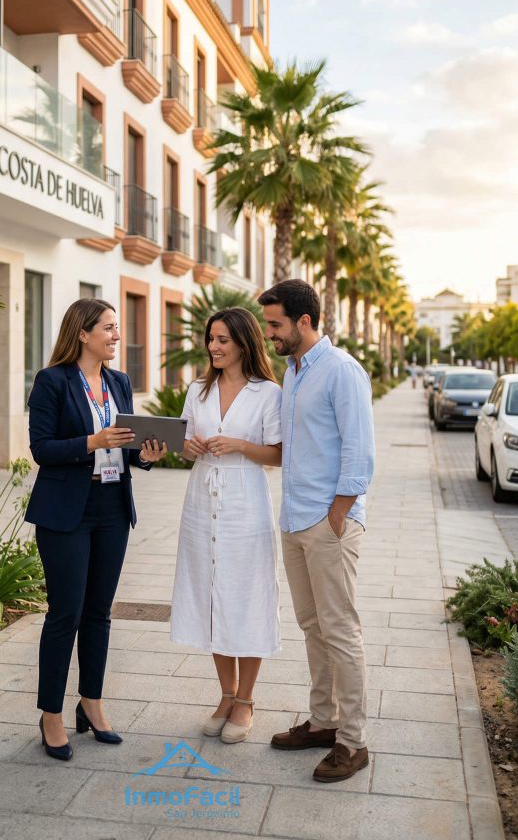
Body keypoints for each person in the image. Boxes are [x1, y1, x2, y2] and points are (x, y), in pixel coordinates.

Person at [25, 298, 168, 761]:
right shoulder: (52, 381)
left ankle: (92, 701)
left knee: (99, 612)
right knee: (64, 612)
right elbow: (42, 449)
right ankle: (51, 714)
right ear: (82, 333)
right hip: (66, 510)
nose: (116, 336)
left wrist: (145, 454)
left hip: (111, 506)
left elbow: (125, 449)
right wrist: (93, 440)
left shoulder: (119, 382)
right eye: (108, 328)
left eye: (117, 328)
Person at [258, 280, 375, 783]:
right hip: (294, 518)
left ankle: (353, 741)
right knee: (312, 627)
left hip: (329, 522)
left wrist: (341, 510)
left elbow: (360, 447)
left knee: (341, 630)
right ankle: (325, 722)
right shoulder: (294, 371)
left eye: (275, 324)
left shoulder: (341, 371)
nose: (269, 334)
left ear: (304, 321)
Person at [170, 307, 282, 744]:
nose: (213, 347)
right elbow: (179, 445)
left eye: (222, 340)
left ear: (243, 342)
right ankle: (225, 694)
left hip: (245, 505)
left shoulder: (267, 393)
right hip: (201, 502)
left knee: (246, 596)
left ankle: (247, 700)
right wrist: (188, 445)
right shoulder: (198, 389)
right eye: (210, 339)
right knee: (212, 595)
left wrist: (239, 445)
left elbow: (278, 454)